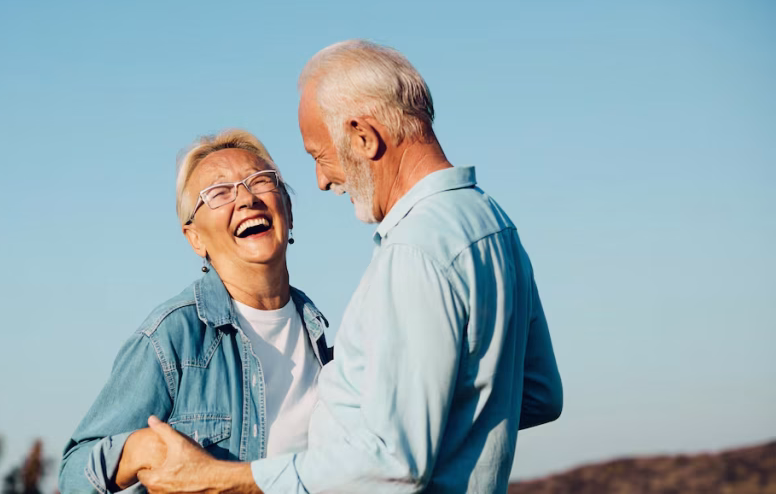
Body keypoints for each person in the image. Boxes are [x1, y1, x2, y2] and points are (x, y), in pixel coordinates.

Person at [135, 40, 564, 494]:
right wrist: (429, 418)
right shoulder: (493, 222)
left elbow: (393, 463)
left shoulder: (414, 251)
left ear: (363, 137)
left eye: (319, 155)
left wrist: (217, 479)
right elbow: (539, 395)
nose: (322, 181)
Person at [59, 130, 333, 493]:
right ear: (195, 238)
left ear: (289, 211)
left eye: (260, 181)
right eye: (219, 193)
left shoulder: (322, 340)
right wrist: (139, 449)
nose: (247, 198)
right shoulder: (171, 336)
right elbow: (73, 472)